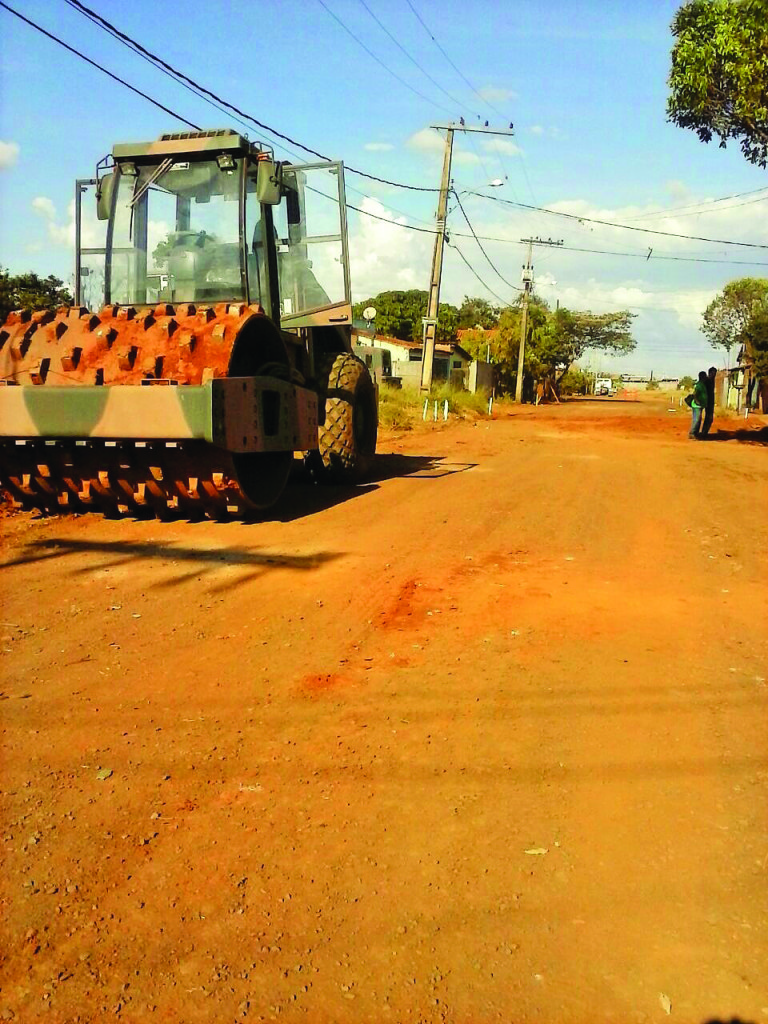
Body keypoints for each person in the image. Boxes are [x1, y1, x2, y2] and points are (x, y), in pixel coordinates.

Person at [689, 370, 708, 440]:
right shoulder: (699, 385)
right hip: (696, 405)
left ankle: (696, 433)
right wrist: (697, 402)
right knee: (696, 419)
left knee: (698, 420)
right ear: (702, 377)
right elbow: (695, 394)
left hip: (700, 405)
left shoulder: (702, 384)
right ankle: (692, 433)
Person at [700, 365, 717, 439]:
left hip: (710, 401)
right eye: (713, 373)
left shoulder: (711, 380)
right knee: (708, 417)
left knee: (709, 418)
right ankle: (703, 433)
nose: (714, 375)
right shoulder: (707, 381)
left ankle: (704, 432)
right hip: (707, 400)